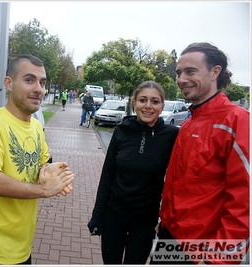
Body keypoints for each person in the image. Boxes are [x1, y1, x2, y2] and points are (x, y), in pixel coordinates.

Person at [0, 54, 75, 265]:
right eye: (29, 80)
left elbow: (42, 163)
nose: (38, 89)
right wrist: (44, 190)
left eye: (42, 83)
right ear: (9, 83)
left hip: (22, 248)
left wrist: (51, 171)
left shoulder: (35, 127)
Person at [152, 42, 250, 264]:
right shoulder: (189, 122)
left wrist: (219, 260)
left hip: (202, 251)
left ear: (215, 72)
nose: (181, 79)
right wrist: (165, 220)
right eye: (179, 73)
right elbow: (181, 181)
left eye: (190, 71)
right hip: (169, 237)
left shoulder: (237, 121)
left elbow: (244, 202)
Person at [87, 81, 179, 264]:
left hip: (145, 220)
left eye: (155, 101)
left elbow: (178, 181)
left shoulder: (171, 136)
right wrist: (97, 214)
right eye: (143, 100)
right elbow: (108, 174)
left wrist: (167, 219)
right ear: (134, 103)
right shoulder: (122, 130)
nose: (148, 106)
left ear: (162, 106)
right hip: (114, 214)